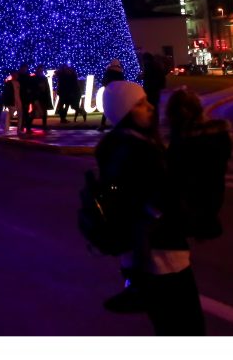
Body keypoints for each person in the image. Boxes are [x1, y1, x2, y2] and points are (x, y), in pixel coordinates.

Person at [95, 80, 205, 335]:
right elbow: (160, 196)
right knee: (187, 330)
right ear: (124, 112)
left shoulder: (117, 146)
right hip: (163, 259)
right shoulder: (136, 150)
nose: (150, 107)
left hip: (143, 258)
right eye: (140, 104)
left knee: (169, 329)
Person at [165, 88, 232, 240]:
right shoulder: (219, 136)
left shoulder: (182, 144)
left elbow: (175, 180)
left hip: (188, 211)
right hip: (212, 202)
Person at [98, 58, 125, 132]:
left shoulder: (108, 72)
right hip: (117, 92)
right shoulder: (120, 72)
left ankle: (102, 124)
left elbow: (104, 81)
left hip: (109, 91)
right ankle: (119, 125)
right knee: (118, 108)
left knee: (106, 108)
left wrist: (107, 86)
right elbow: (122, 82)